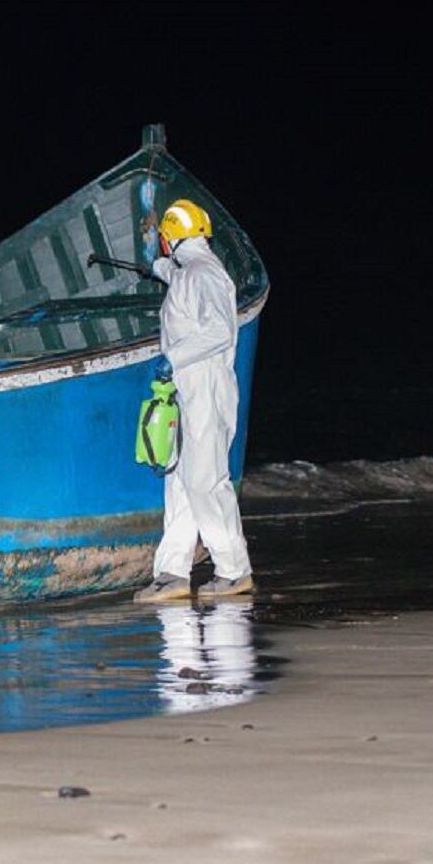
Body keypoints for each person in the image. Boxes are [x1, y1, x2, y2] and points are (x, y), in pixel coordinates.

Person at [134, 199, 254, 602]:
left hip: (205, 387)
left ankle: (234, 570)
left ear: (173, 237)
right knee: (181, 484)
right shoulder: (193, 271)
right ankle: (172, 573)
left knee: (205, 482)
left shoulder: (204, 275)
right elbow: (174, 274)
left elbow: (219, 331)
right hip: (187, 392)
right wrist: (155, 262)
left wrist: (173, 359)